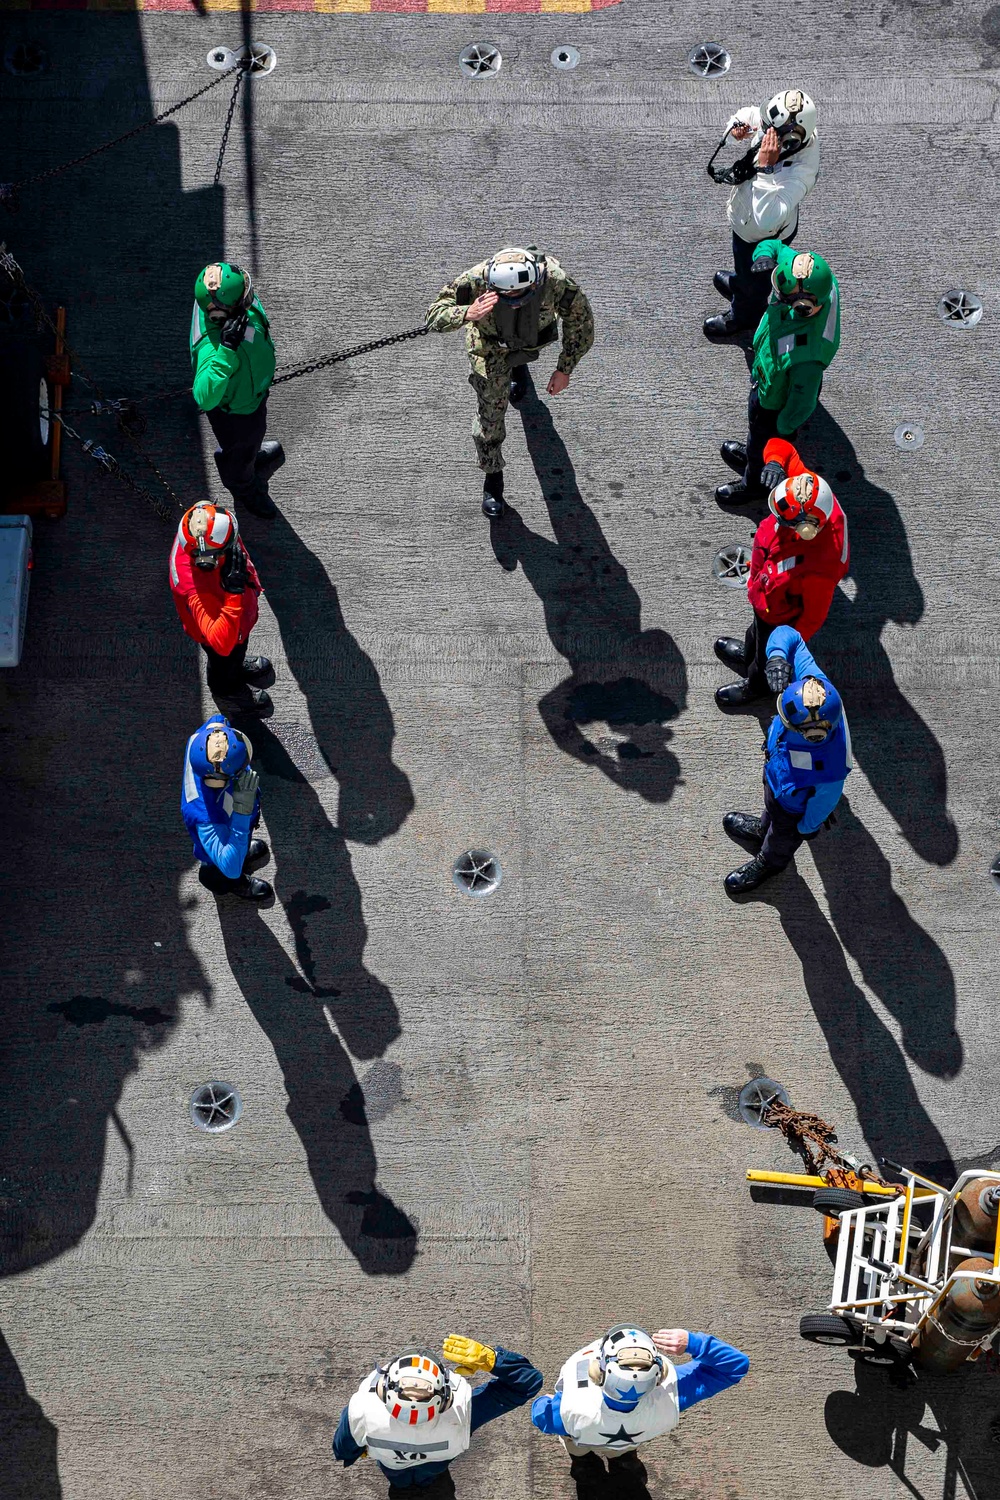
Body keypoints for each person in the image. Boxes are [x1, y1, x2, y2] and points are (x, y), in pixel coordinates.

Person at [425, 246, 594, 518]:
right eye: (506, 294)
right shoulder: (477, 279)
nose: (512, 297)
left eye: (519, 293)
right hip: (489, 349)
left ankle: (518, 368)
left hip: (528, 339)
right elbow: (434, 314)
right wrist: (467, 313)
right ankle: (493, 477)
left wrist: (565, 368)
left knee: (520, 355)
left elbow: (580, 321)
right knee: (490, 415)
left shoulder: (555, 280)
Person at [715, 439, 849, 708]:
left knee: (767, 654)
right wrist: (775, 462)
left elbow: (812, 618)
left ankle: (758, 684)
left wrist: (782, 652)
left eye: (784, 520)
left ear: (806, 529)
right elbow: (781, 446)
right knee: (755, 633)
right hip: (764, 597)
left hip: (779, 614)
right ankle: (750, 654)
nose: (776, 520)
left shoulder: (820, 568)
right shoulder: (807, 489)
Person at [724, 625, 851, 896]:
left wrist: (804, 828)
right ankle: (762, 828)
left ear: (812, 734)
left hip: (793, 810)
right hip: (777, 781)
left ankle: (769, 862)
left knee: (781, 839)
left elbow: (825, 802)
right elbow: (789, 634)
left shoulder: (831, 765)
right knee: (771, 811)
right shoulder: (815, 688)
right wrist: (778, 657)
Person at [531, 1324, 748, 1482]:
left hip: (583, 1434)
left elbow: (540, 1414)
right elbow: (735, 1366)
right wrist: (694, 1343)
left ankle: (583, 1465)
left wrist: (549, 1401)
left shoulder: (566, 1410)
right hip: (630, 1437)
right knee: (621, 1451)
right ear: (660, 1376)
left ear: (598, 1373)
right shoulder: (671, 1398)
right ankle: (623, 1463)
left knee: (576, 1446)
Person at [333, 1334, 542, 1492]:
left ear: (383, 1390)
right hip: (435, 1466)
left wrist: (358, 1449)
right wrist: (492, 1359)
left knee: (399, 1482)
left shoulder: (360, 1411)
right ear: (445, 1399)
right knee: (429, 1478)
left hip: (392, 1466)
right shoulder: (464, 1412)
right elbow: (528, 1383)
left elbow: (343, 1449)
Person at [716, 240, 840, 505]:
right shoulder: (811, 275)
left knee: (761, 435)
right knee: (758, 441)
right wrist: (763, 255)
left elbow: (801, 404)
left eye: (785, 300)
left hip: (774, 399)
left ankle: (755, 482)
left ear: (804, 306)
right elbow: (775, 247)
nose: (777, 300)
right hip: (781, 375)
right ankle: (755, 454)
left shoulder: (809, 354)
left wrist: (780, 437)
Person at [705, 89, 819, 342]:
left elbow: (768, 218)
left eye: (768, 131)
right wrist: (735, 131)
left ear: (788, 141)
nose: (762, 132)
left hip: (761, 236)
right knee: (744, 269)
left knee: (756, 282)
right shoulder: (779, 127)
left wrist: (766, 169)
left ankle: (745, 315)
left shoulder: (802, 171)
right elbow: (747, 115)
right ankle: (740, 286)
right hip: (745, 223)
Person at [191, 261, 283, 519]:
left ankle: (249, 456)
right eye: (245, 298)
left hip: (253, 394)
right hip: (236, 413)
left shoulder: (226, 303)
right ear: (220, 315)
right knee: (240, 449)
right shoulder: (213, 346)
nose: (250, 298)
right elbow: (204, 396)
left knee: (251, 439)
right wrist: (227, 350)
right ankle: (244, 487)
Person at [168, 502, 272, 716]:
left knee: (234, 656)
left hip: (237, 627)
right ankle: (228, 693)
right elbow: (222, 643)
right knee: (224, 660)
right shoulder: (194, 589)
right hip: (223, 634)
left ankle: (236, 667)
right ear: (208, 561)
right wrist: (234, 593)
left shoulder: (201, 527)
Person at [181, 713, 272, 900]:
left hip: (230, 821)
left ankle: (242, 851)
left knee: (241, 845)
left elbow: (219, 718)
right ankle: (236, 884)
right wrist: (242, 811)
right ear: (218, 781)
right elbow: (229, 868)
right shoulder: (206, 818)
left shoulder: (208, 735)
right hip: (220, 854)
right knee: (225, 873)